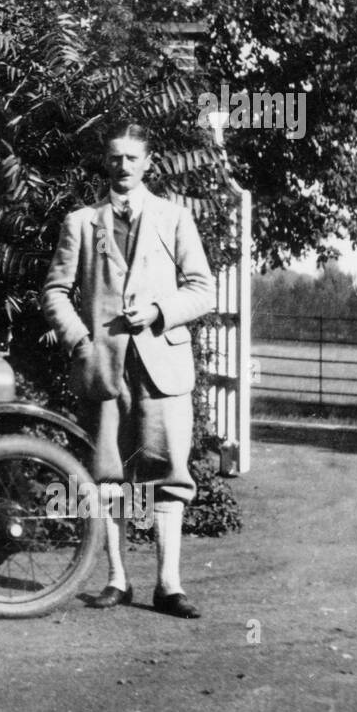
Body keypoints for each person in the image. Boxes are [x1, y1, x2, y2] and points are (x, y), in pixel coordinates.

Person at [42, 122, 216, 618]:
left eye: (132, 158)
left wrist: (161, 310)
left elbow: (204, 290)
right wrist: (81, 339)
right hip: (104, 367)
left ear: (148, 162)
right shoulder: (80, 222)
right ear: (106, 162)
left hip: (162, 365)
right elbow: (54, 291)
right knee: (110, 475)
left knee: (168, 473)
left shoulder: (174, 218)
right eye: (115, 158)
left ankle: (169, 586)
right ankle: (118, 581)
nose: (123, 166)